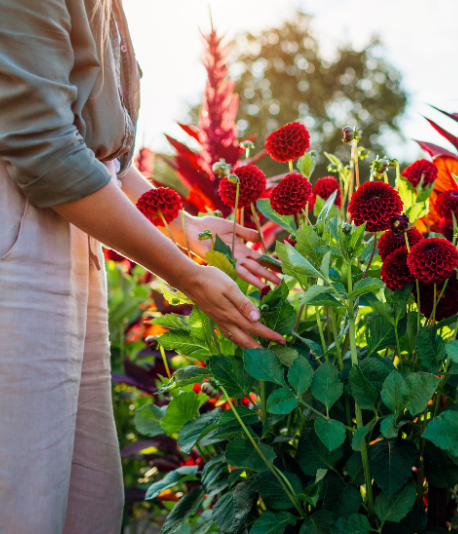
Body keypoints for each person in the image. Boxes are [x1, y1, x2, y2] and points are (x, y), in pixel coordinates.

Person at [0, 0, 283, 532]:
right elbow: (45, 152)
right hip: (19, 240)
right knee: (22, 494)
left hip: (67, 228)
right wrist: (184, 273)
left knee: (83, 497)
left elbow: (103, 155)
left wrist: (182, 225)